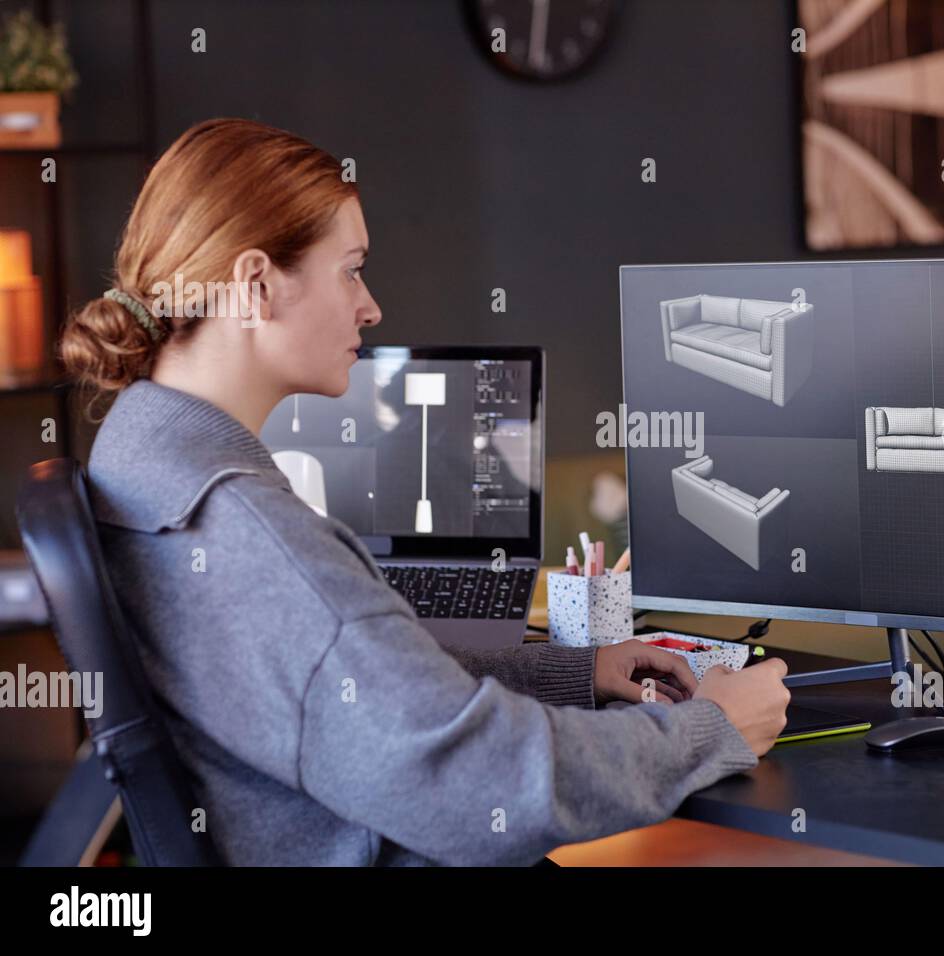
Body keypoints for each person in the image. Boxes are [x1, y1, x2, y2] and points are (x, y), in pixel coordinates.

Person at [58, 118, 790, 865]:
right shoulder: (250, 535)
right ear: (256, 285)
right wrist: (708, 728)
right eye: (350, 269)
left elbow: (367, 695)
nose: (370, 307)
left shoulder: (142, 455)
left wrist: (579, 673)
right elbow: (478, 788)